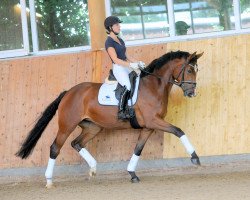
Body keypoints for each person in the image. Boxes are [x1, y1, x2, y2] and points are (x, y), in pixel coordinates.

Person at [104, 16, 145, 120]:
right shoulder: (109, 42)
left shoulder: (120, 40)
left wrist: (138, 62)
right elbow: (116, 59)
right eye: (117, 25)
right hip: (118, 67)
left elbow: (127, 56)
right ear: (110, 27)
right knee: (127, 85)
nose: (119, 26)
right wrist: (131, 65)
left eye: (119, 24)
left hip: (125, 65)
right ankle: (121, 111)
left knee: (139, 76)